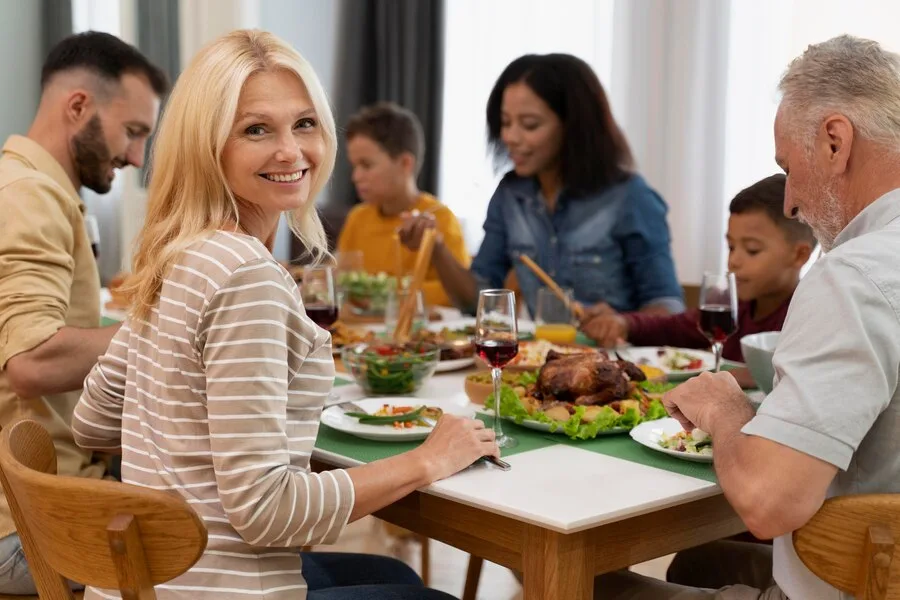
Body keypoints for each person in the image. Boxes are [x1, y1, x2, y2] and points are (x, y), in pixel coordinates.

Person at [72, 29, 496, 600]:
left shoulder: (179, 254)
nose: (292, 151)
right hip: (216, 589)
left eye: (305, 123)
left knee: (393, 578)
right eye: (255, 130)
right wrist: (428, 460)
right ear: (207, 146)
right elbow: (266, 512)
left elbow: (91, 422)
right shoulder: (246, 274)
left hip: (150, 580)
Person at [593, 34, 900, 600]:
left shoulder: (854, 277)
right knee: (701, 561)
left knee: (585, 588)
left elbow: (767, 502)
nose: (789, 203)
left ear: (835, 141)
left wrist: (723, 407)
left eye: (788, 168)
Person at [0, 31, 167, 594]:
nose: (138, 156)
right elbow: (31, 363)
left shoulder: (29, 186)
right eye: (135, 131)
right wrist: (173, 326)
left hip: (47, 497)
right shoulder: (30, 196)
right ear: (79, 107)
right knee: (220, 549)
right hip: (27, 526)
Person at [399, 53, 684, 317]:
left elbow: (668, 307)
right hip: (542, 362)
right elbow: (477, 302)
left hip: (619, 363)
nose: (510, 136)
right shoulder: (511, 195)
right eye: (506, 122)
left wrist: (623, 323)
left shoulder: (630, 197)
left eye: (530, 124)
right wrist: (436, 248)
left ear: (574, 127)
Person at [581, 174, 815, 385]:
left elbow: (793, 377)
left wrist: (726, 376)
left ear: (799, 255)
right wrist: (624, 323)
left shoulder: (807, 316)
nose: (734, 261)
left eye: (752, 250)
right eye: (731, 246)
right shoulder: (729, 303)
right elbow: (673, 328)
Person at [337, 102, 469, 307]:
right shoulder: (357, 218)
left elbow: (453, 294)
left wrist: (385, 293)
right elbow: (342, 278)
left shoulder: (440, 219)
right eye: (354, 166)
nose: (356, 177)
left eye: (366, 165)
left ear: (405, 163)